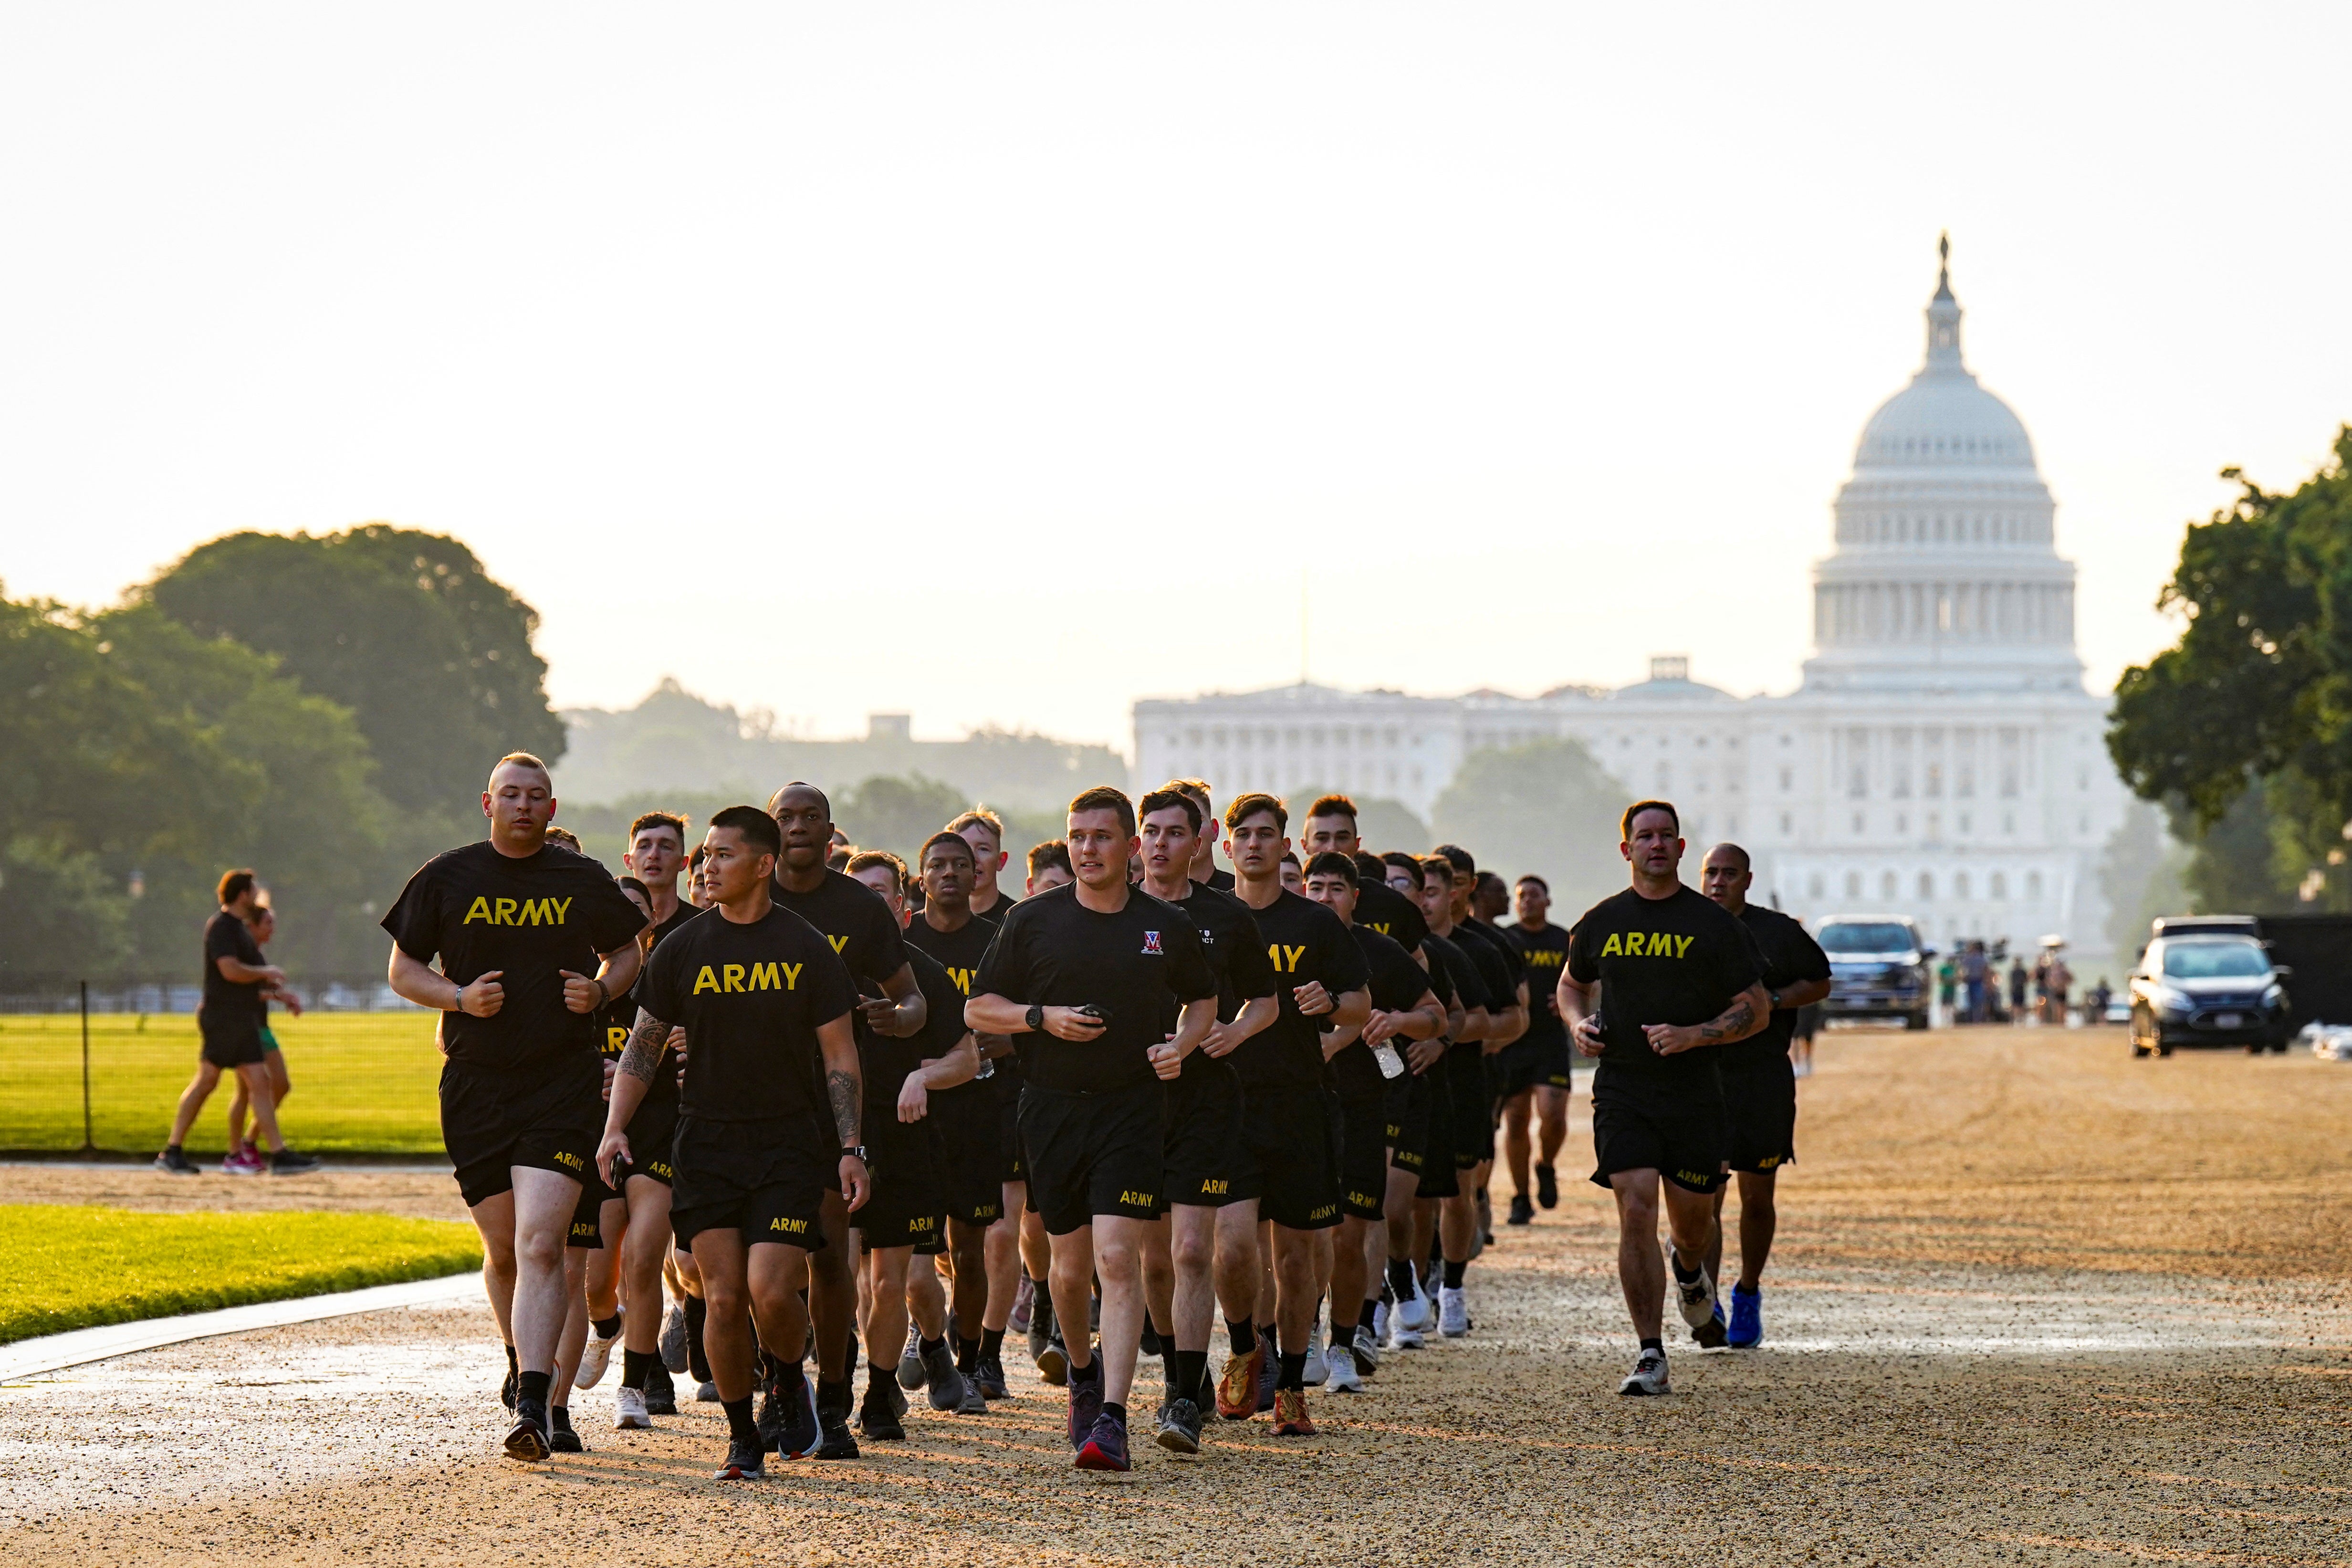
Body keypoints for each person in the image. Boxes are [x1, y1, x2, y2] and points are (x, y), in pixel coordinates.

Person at [382, 754, 648, 1461]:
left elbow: (628, 950)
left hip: (560, 1083)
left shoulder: (580, 879)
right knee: (504, 1249)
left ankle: (535, 1401)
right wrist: (460, 998)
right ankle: (517, 1354)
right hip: (475, 1086)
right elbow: (403, 969)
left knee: (541, 1242)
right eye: (510, 795)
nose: (523, 806)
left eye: (536, 797)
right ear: (487, 802)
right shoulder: (447, 875)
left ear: (552, 809)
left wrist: (601, 990)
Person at [600, 806, 863, 1480]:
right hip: (706, 1143)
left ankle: (785, 1376)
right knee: (720, 1296)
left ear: (763, 863)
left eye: (722, 854)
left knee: (771, 1290)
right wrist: (615, 1126)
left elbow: (840, 1055)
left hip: (785, 1143)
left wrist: (851, 1145)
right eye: (706, 855)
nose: (706, 866)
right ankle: (743, 1437)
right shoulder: (683, 948)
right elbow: (643, 1045)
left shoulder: (806, 947)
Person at [966, 785, 1218, 1471]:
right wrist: (1039, 1018)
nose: (1086, 849)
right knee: (1069, 1271)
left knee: (1117, 1258)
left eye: (1102, 837)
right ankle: (1080, 1369)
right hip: (1049, 1109)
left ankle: (1112, 1417)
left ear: (1131, 846)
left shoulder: (1162, 923)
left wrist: (1183, 1045)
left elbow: (1204, 997)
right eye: (1077, 836)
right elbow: (978, 1007)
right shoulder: (1030, 920)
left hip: (1132, 1109)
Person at [1557, 801, 1771, 1396]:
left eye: (1667, 836)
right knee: (1635, 1205)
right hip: (1624, 1087)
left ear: (1681, 849)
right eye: (1645, 836)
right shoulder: (1601, 921)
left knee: (1693, 1227)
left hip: (1695, 1093)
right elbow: (1572, 982)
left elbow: (1757, 1008)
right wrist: (1577, 1024)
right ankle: (1650, 1351)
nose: (1656, 845)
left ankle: (1688, 1269)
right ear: (1627, 850)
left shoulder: (1714, 925)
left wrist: (1694, 1035)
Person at [764, 783, 929, 1458]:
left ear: (831, 833)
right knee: (764, 1266)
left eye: (810, 818)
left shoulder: (858, 908)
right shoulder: (747, 895)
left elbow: (912, 998)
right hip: (755, 1101)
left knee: (831, 1258)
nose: (798, 828)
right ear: (769, 831)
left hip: (837, 1101)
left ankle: (833, 1398)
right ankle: (782, 1382)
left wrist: (899, 1018)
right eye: (785, 818)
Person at [1220, 794, 1369, 1436]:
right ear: (1225, 846)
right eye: (1243, 834)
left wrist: (1329, 1000)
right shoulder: (1206, 920)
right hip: (1222, 1103)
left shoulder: (1314, 923)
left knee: (1296, 1257)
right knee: (1231, 1246)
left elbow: (1360, 1005)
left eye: (1268, 835)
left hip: (1299, 1101)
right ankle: (1242, 1346)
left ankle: (1289, 1386)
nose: (1255, 844)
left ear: (1287, 846)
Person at [1134, 785, 1278, 1452]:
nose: (1161, 842)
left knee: (1196, 1248)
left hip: (1207, 1101)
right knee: (1154, 1262)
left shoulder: (1227, 916)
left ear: (1200, 841)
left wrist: (1234, 1032)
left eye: (1174, 832)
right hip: (1128, 1102)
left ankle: (1182, 1400)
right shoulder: (1109, 914)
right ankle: (1177, 1375)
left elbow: (1264, 1002)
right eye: (1151, 830)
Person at [1299, 852, 1443, 1394]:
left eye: (1337, 888)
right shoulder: (1288, 946)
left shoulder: (1379, 951)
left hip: (1366, 1105)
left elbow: (1438, 1013)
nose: (1325, 897)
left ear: (1355, 897)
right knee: (1302, 1235)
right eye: (1316, 887)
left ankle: (1345, 1340)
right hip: (1303, 1107)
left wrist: (1398, 1020)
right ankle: (1303, 1336)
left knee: (1351, 1232)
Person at [899, 831, 1019, 1401]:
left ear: (980, 876)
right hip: (911, 1109)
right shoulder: (901, 942)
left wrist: (1006, 1043)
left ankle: (969, 1358)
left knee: (972, 1247)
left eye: (961, 865)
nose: (949, 873)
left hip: (977, 1110)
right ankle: (923, 1337)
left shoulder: (999, 942)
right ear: (920, 879)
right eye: (936, 864)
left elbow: (1024, 1018)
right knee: (914, 1247)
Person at [1697, 843, 1831, 1349]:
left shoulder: (1778, 931)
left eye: (1729, 874)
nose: (1719, 882)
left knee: (1757, 1198)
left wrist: (1774, 1000)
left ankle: (1748, 1290)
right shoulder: (1685, 926)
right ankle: (1705, 1299)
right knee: (1705, 1195)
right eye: (1711, 872)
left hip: (1762, 1079)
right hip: (1702, 1076)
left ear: (1747, 880)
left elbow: (1819, 982)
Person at [157, 871, 320, 1177]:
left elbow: (243, 978)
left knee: (260, 1084)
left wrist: (274, 990)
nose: (258, 895)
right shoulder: (221, 927)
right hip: (224, 1018)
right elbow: (230, 971)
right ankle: (173, 1150)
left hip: (240, 1019)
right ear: (242, 895)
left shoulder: (238, 930)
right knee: (207, 1082)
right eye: (254, 891)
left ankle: (279, 1155)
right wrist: (265, 972)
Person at [1501, 875, 1572, 1224]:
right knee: (1515, 1120)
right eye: (1521, 896)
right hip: (1513, 1042)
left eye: (1534, 895)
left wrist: (1572, 1004)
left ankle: (1545, 1165)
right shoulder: (1506, 939)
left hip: (1550, 1042)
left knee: (1553, 1115)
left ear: (1547, 901)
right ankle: (1520, 1197)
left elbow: (1587, 984)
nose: (1527, 901)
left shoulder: (1563, 940)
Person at [222, 898, 303, 1176]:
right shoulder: (241, 956)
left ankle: (246, 1144)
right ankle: (238, 1151)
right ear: (252, 925)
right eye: (268, 923)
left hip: (259, 1027)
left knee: (275, 1086)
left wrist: (283, 996)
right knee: (252, 1090)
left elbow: (260, 992)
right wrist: (275, 993)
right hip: (247, 1028)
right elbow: (239, 993)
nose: (273, 929)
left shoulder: (255, 956)